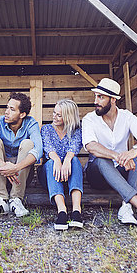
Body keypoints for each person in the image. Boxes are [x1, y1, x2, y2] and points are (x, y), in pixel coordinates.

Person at [82, 78, 137, 228]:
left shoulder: (126, 116)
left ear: (113, 100)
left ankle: (126, 206)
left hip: (122, 171)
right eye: (96, 96)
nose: (95, 101)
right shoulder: (89, 119)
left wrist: (134, 151)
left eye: (101, 97)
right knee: (102, 158)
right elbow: (91, 146)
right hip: (98, 175)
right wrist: (117, 156)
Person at [0, 92, 43, 218]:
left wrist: (15, 168)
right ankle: (0, 199)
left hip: (21, 177)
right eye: (7, 107)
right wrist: (3, 166)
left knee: (28, 144)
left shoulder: (31, 123)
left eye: (12, 109)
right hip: (0, 174)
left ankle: (16, 199)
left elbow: (39, 150)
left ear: (22, 114)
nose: (6, 112)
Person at [40, 99, 84, 231]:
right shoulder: (46, 129)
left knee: (74, 160)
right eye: (54, 113)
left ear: (68, 117)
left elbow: (73, 149)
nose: (54, 116)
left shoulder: (76, 131)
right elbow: (49, 149)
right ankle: (62, 210)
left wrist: (67, 161)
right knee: (51, 162)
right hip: (50, 175)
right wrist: (58, 161)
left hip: (69, 174)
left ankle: (76, 210)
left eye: (59, 115)